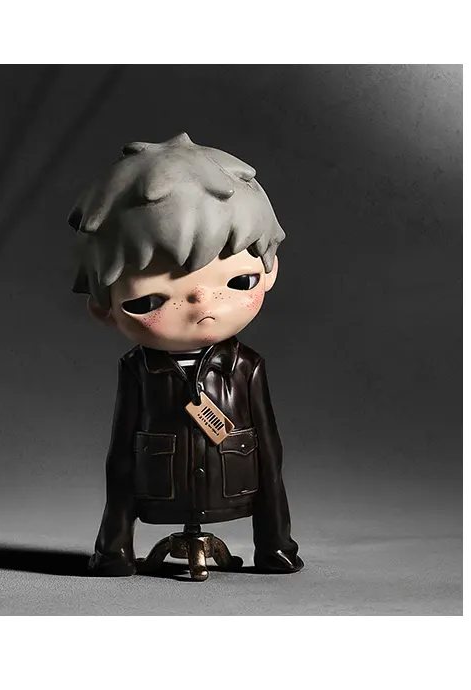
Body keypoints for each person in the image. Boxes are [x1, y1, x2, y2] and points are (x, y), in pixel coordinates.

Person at [69, 132, 303, 575]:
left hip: (232, 482)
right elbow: (120, 457)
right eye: (150, 300)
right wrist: (113, 546)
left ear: (270, 272)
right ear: (103, 308)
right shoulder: (138, 369)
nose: (202, 304)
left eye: (239, 282)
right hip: (160, 486)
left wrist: (275, 542)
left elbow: (271, 455)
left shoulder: (245, 366)